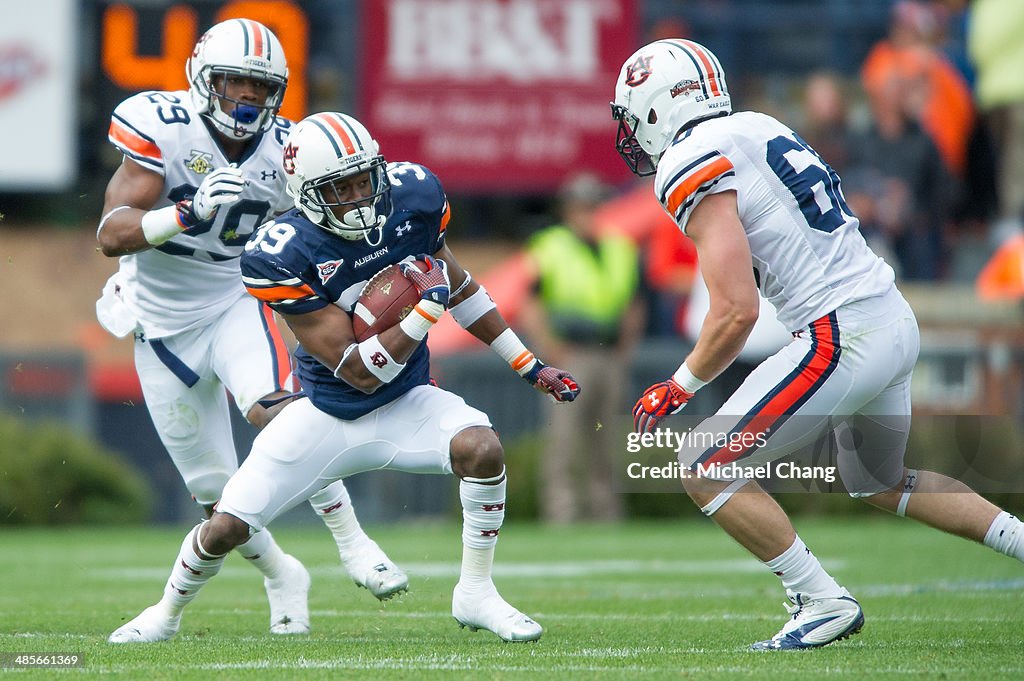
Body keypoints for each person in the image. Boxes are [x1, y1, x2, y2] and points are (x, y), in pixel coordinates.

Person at [106, 111, 581, 644]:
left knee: (483, 450)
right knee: (226, 526)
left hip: (409, 404)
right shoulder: (281, 252)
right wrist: (425, 310)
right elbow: (358, 373)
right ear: (306, 193)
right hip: (328, 415)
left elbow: (461, 284)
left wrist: (530, 365)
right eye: (341, 188)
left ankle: (476, 592)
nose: (359, 196)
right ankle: (166, 613)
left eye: (364, 180)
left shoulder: (414, 196)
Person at [612, 38, 1024, 650]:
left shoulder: (690, 157)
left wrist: (683, 383)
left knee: (701, 463)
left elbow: (735, 312)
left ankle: (820, 599)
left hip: (841, 333)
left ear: (653, 107)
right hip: (890, 314)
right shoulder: (757, 125)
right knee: (880, 480)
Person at [96, 20, 407, 640]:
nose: (245, 99)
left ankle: (353, 543)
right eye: (233, 83)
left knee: (279, 412)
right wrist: (188, 211)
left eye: (259, 88)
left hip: (234, 298)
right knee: (218, 499)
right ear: (202, 79)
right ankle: (284, 573)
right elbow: (111, 233)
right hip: (158, 323)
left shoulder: (287, 151)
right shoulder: (163, 125)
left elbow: (320, 233)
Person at [519, 173, 642, 523]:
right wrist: (548, 348)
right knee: (564, 438)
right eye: (581, 206)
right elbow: (531, 301)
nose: (588, 212)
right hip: (570, 352)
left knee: (606, 436)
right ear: (568, 210)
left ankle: (606, 513)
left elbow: (636, 299)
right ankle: (562, 513)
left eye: (593, 205)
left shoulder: (619, 245)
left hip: (608, 352)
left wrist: (626, 346)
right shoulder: (549, 245)